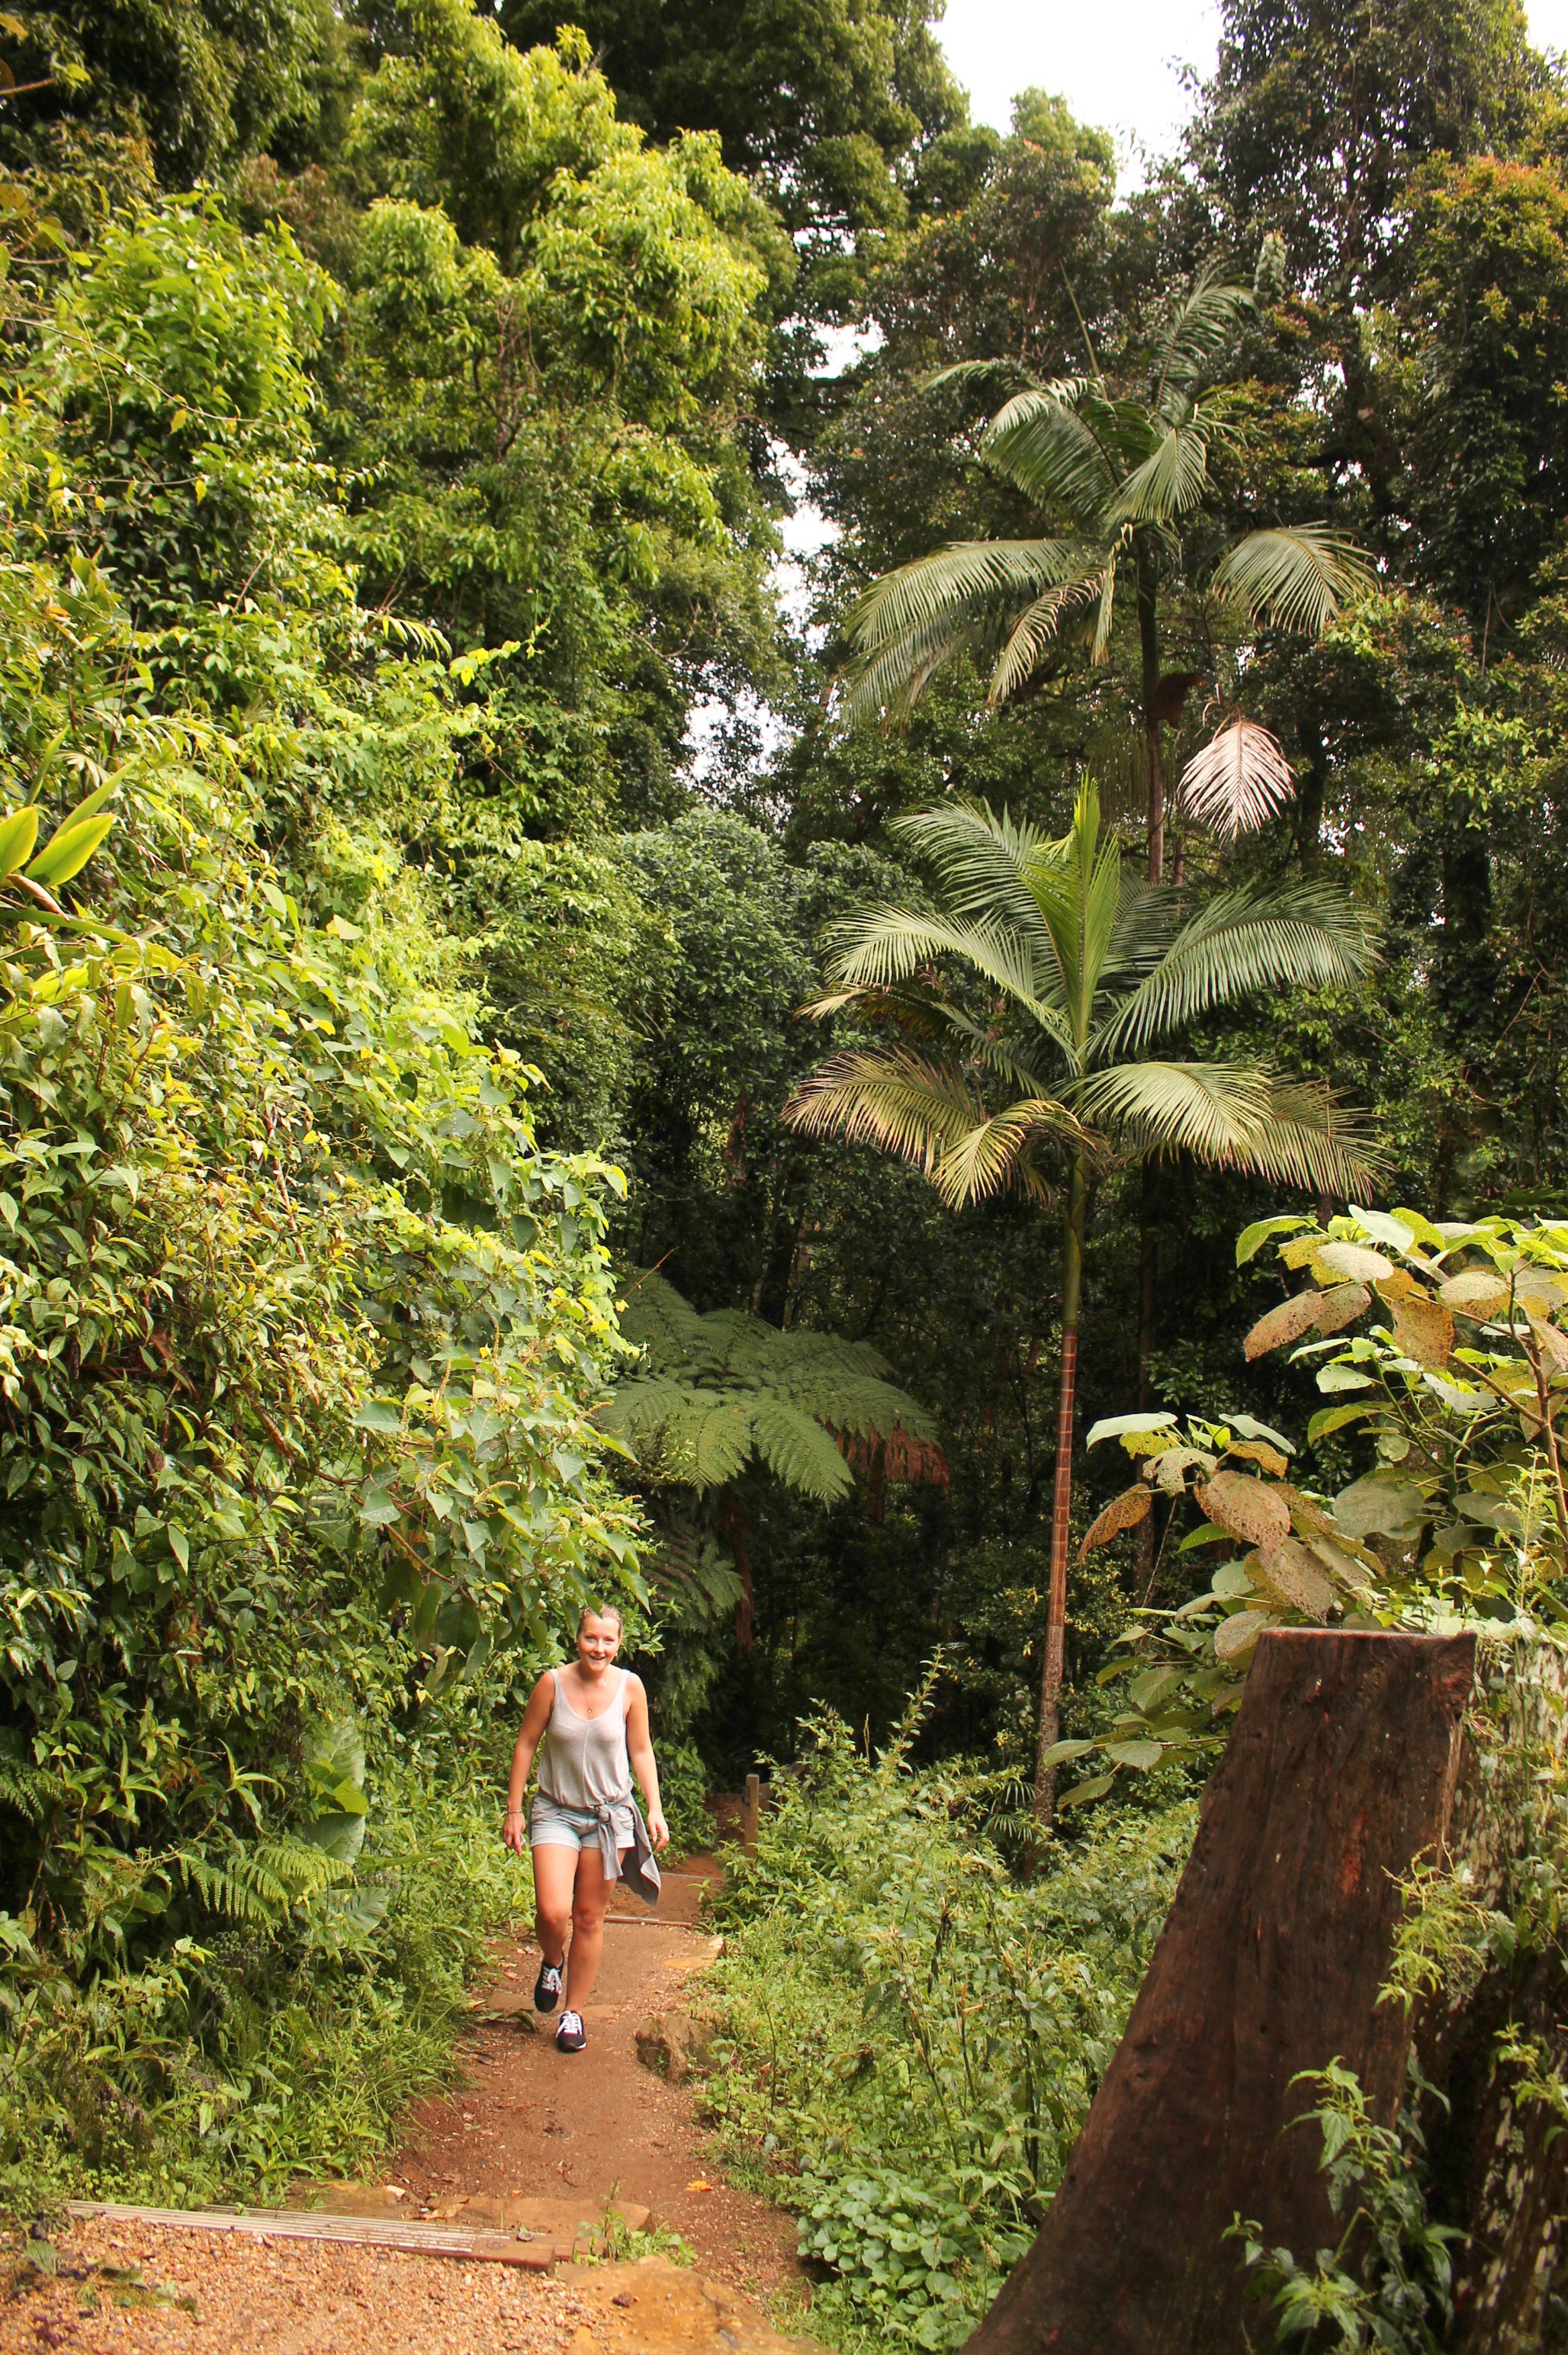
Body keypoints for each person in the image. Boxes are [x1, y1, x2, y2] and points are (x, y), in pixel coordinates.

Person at [503, 1604, 669, 2052]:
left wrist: (654, 1807)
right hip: (556, 1810)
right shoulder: (552, 1684)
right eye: (591, 1638)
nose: (599, 1648)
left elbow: (641, 1750)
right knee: (553, 1911)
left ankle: (572, 2013)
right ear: (577, 1639)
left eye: (608, 1640)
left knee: (590, 1917)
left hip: (609, 1817)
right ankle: (551, 1961)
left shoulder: (630, 1687)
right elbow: (526, 1743)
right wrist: (514, 1810)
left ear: (619, 1643)